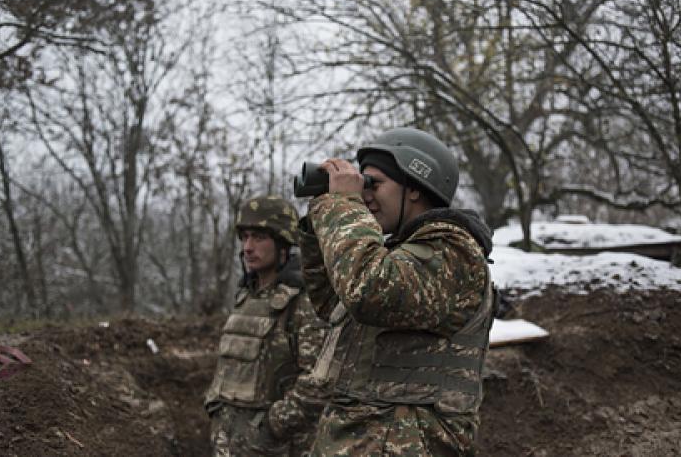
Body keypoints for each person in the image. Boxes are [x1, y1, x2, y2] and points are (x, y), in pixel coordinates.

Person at [298, 127, 495, 456]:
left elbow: (367, 289)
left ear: (415, 188)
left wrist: (344, 206)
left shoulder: (453, 252)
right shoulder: (396, 258)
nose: (365, 194)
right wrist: (325, 211)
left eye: (374, 183)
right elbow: (334, 302)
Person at [204, 195, 328, 457]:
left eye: (259, 238)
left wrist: (272, 426)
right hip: (230, 443)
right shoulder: (246, 296)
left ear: (283, 243)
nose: (248, 247)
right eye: (245, 237)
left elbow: (318, 382)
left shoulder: (301, 302)